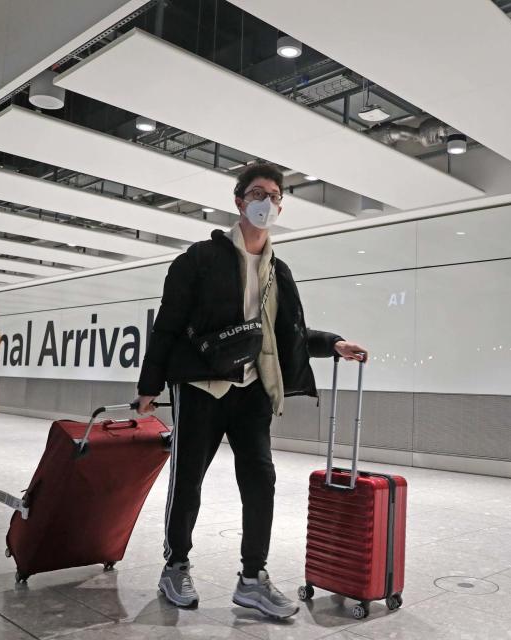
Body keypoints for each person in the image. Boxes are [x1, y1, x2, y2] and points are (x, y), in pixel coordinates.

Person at [134, 162, 368, 619]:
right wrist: (150, 385)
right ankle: (175, 564)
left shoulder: (279, 270)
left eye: (275, 196)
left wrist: (332, 343)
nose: (267, 203)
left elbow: (286, 334)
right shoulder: (199, 259)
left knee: (261, 482)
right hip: (202, 387)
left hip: (253, 391)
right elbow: (166, 327)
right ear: (239, 200)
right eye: (258, 193)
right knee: (188, 481)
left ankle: (252, 579)